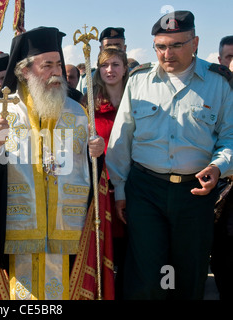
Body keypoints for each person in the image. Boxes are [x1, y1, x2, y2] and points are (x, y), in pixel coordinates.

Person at [0, 26, 113, 300]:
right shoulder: (3, 112)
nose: (56, 71)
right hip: (18, 229)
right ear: (25, 71)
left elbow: (94, 175)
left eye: (58, 64)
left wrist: (96, 153)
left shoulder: (78, 113)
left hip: (69, 230)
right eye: (47, 65)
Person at [106, 10, 233, 300]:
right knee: (147, 276)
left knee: (188, 274)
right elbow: (121, 138)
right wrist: (120, 190)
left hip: (195, 193)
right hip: (145, 190)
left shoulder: (219, 83)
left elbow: (230, 137)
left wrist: (218, 166)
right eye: (161, 46)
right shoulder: (138, 80)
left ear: (195, 42)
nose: (167, 53)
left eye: (176, 45)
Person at [92, 46, 129, 300]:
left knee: (130, 253)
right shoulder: (89, 105)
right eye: (105, 65)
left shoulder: (135, 101)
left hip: (132, 187)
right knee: (104, 253)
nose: (110, 70)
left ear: (125, 68)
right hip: (102, 188)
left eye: (115, 64)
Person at [210, 35, 233, 300]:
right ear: (220, 60)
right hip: (223, 191)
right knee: (224, 259)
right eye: (229, 57)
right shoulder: (214, 91)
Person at [78, 27, 127, 95]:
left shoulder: (135, 77)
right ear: (101, 49)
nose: (113, 50)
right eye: (108, 46)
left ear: (124, 48)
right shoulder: (87, 79)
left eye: (117, 46)